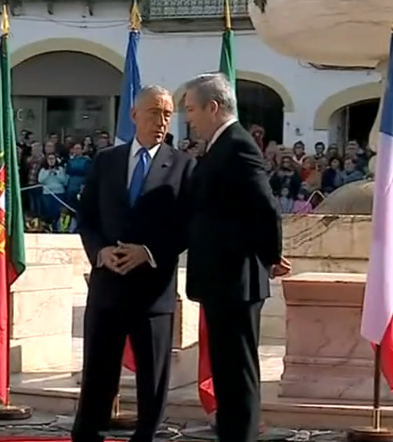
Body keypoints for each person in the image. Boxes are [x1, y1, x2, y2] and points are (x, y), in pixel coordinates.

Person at [72, 85, 195, 442]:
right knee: (97, 374)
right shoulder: (107, 160)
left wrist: (149, 252)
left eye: (168, 114)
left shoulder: (184, 166)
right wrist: (100, 252)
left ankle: (145, 438)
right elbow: (87, 218)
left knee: (152, 380)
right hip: (107, 288)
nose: (161, 121)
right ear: (134, 115)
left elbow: (188, 226)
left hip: (152, 293)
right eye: (154, 112)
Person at [182, 73, 290, 442]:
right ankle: (230, 431)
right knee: (226, 368)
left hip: (236, 279)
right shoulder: (218, 144)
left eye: (192, 109)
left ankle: (240, 434)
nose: (189, 118)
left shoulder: (237, 144)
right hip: (221, 279)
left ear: (213, 107)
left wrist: (271, 256)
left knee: (238, 368)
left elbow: (266, 208)